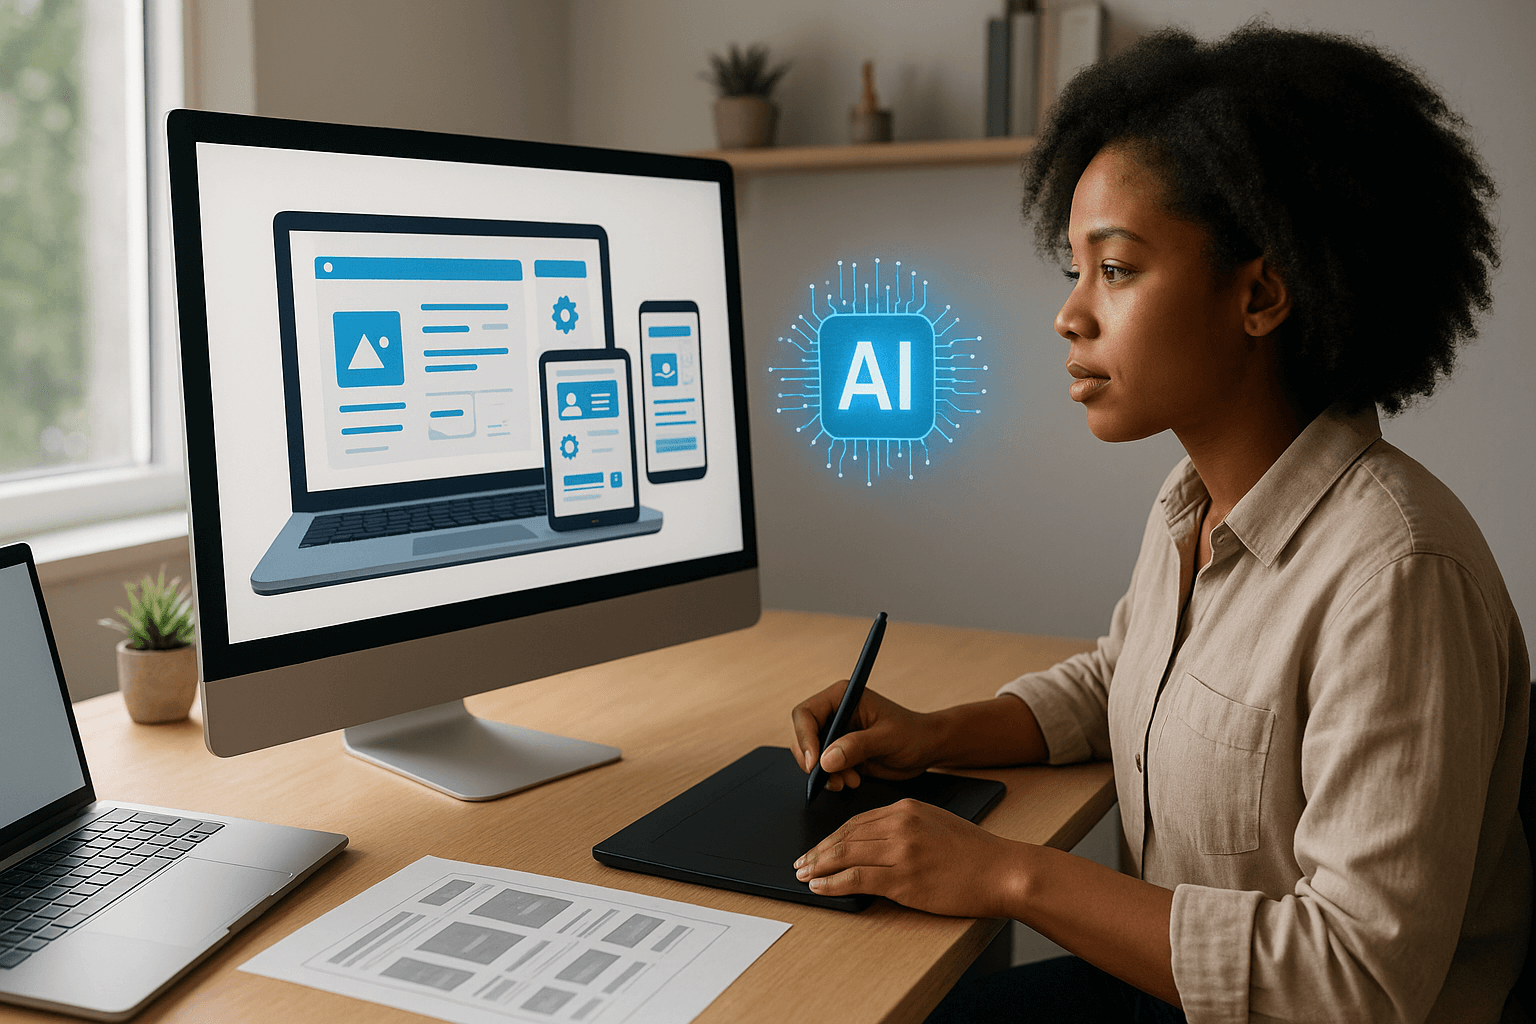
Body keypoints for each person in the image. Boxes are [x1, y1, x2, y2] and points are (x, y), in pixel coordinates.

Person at [790, 22, 1529, 1024]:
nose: (1071, 314)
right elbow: (1129, 676)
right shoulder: (1195, 500)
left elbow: (1354, 975)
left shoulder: (1396, 573)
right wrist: (934, 734)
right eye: (1075, 271)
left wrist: (1010, 877)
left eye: (1119, 269)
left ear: (1261, 293)